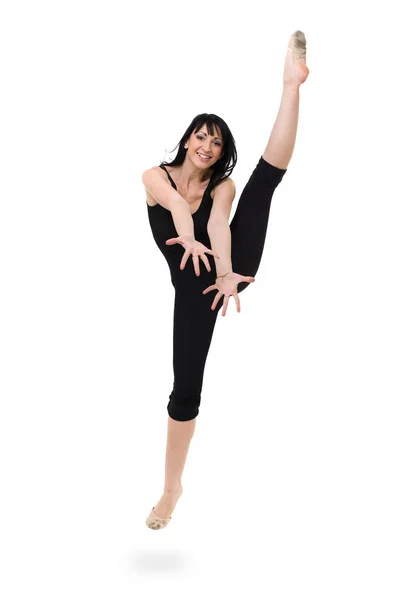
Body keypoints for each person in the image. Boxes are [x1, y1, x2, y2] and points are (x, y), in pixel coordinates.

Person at [142, 31, 309, 529]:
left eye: (217, 142)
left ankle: (292, 85)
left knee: (264, 185)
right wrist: (185, 241)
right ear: (188, 136)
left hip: (226, 272)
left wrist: (226, 273)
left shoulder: (222, 185)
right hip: (192, 292)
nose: (207, 146)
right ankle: (172, 490)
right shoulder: (155, 175)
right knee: (186, 388)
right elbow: (174, 205)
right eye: (202, 135)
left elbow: (217, 226)